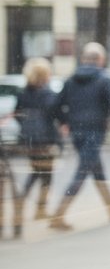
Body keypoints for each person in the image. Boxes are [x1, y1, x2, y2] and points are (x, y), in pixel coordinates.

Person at [49, 42, 110, 230]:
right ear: (100, 60)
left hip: (77, 132)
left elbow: (55, 106)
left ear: (84, 59)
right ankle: (58, 215)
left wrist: (65, 122)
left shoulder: (70, 79)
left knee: (96, 169)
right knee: (82, 172)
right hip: (95, 131)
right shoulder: (104, 79)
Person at [12, 58, 60, 237]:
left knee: (37, 171)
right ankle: (38, 207)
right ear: (45, 74)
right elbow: (54, 116)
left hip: (29, 139)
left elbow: (17, 114)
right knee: (45, 174)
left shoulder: (24, 92)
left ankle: (23, 203)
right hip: (45, 139)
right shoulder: (47, 94)